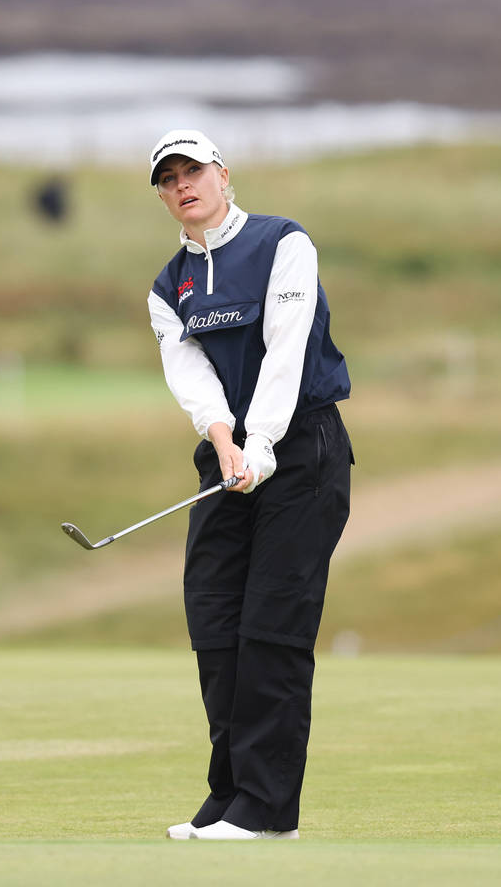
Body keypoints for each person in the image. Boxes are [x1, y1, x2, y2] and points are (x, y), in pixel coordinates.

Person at [144, 129, 353, 841]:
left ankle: (267, 811)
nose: (181, 185)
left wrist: (261, 442)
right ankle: (230, 794)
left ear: (223, 175)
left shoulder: (282, 243)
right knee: (214, 620)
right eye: (167, 178)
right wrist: (227, 441)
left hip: (301, 449)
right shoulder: (167, 285)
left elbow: (287, 348)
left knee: (272, 626)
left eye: (192, 170)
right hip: (227, 455)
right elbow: (191, 375)